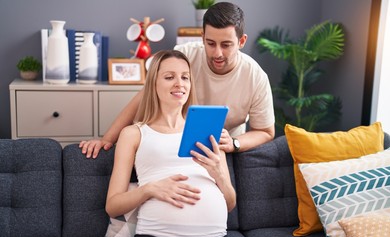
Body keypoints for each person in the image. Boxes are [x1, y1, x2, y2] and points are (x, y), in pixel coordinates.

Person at [80, 1, 275, 158]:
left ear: (241, 42)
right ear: (202, 37)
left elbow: (265, 131)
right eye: (210, 43)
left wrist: (235, 144)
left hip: (222, 152)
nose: (217, 53)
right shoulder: (184, 56)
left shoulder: (256, 77)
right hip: (172, 142)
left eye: (226, 45)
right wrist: (106, 140)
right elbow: (144, 97)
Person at [105, 49, 250, 237]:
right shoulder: (134, 134)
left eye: (185, 77)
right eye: (169, 77)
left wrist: (219, 174)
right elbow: (112, 206)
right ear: (154, 83)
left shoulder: (207, 131)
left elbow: (229, 203)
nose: (179, 83)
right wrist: (150, 189)